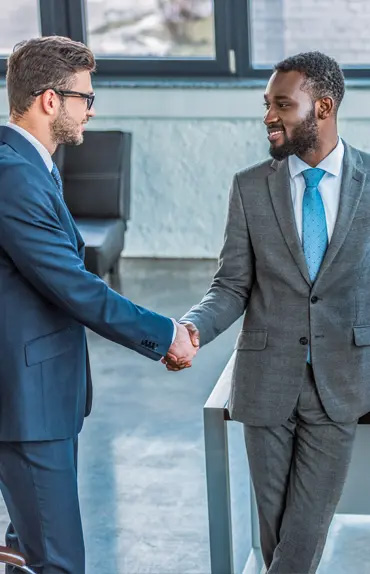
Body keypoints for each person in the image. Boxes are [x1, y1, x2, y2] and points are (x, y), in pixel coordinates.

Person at [163, 51, 370, 573]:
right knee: (276, 530)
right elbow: (231, 285)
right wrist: (192, 328)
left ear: (322, 107)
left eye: (283, 104)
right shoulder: (252, 186)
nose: (269, 117)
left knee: (301, 535)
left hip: (341, 383)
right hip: (265, 380)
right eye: (267, 104)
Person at [0, 36, 197, 574]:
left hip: (43, 396)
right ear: (49, 100)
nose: (91, 108)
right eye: (85, 97)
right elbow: (75, 286)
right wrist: (165, 335)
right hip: (27, 407)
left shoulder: (28, 163)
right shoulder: (13, 175)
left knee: (30, 553)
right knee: (60, 564)